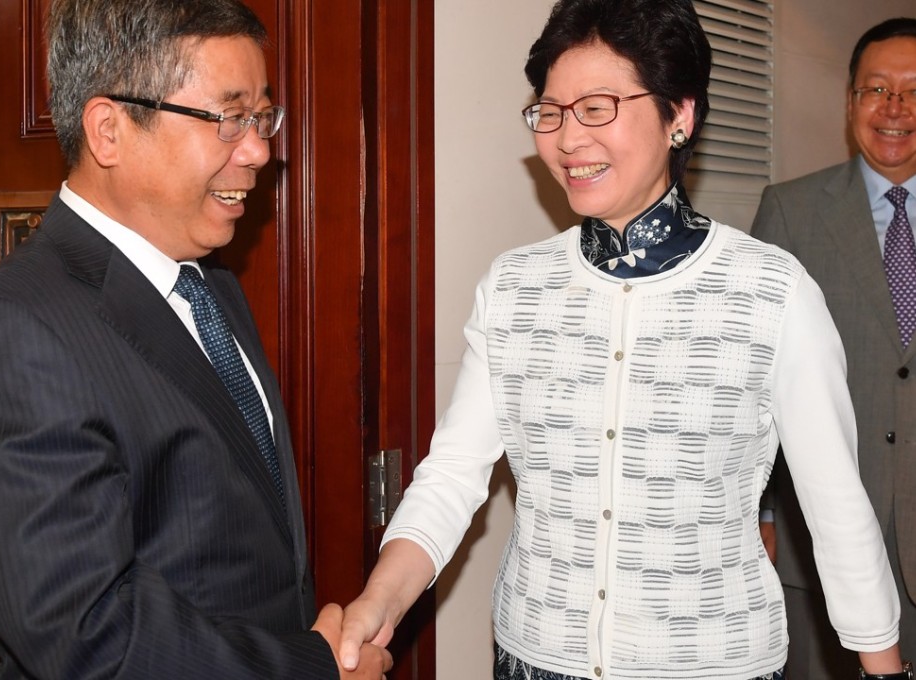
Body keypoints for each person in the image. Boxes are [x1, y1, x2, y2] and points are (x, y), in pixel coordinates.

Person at [336, 0, 909, 678]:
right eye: (551, 112)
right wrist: (377, 603)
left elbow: (835, 505)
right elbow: (452, 476)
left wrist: (882, 668)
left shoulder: (771, 290)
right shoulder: (515, 287)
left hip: (712, 663)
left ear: (679, 115)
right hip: (535, 657)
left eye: (597, 107)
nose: (567, 138)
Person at [0, 0, 392, 678]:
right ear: (109, 131)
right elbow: (91, 637)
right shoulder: (9, 335)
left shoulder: (209, 282)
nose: (259, 150)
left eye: (262, 116)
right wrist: (311, 668)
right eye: (229, 118)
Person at [751, 17, 916, 680]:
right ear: (850, 103)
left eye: (913, 90)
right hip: (820, 541)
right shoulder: (791, 211)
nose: (895, 107)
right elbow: (757, 377)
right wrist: (762, 510)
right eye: (877, 89)